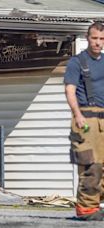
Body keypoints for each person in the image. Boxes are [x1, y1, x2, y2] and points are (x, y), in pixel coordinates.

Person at [64, 21, 104, 221]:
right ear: (88, 38)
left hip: (103, 119)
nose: (98, 43)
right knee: (91, 166)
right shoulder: (77, 62)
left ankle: (97, 204)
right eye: (94, 38)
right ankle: (86, 209)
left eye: (101, 39)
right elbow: (69, 90)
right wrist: (77, 114)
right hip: (85, 119)